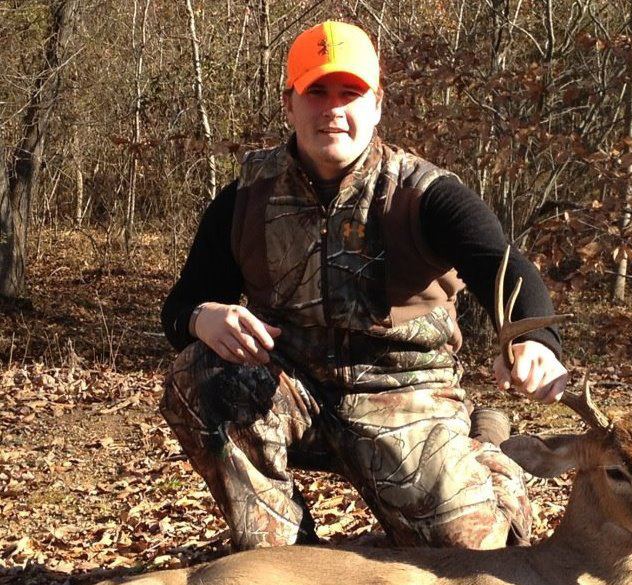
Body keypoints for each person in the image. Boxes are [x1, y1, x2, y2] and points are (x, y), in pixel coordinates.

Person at [160, 20, 568, 551]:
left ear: (376, 105)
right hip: (292, 391)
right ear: (289, 105)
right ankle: (284, 563)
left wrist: (536, 341)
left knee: (474, 553)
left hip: (405, 396)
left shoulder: (425, 194)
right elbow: (181, 306)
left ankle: (486, 448)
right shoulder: (245, 199)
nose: (333, 109)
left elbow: (503, 265)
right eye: (316, 92)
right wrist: (202, 317)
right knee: (200, 374)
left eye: (349, 93)